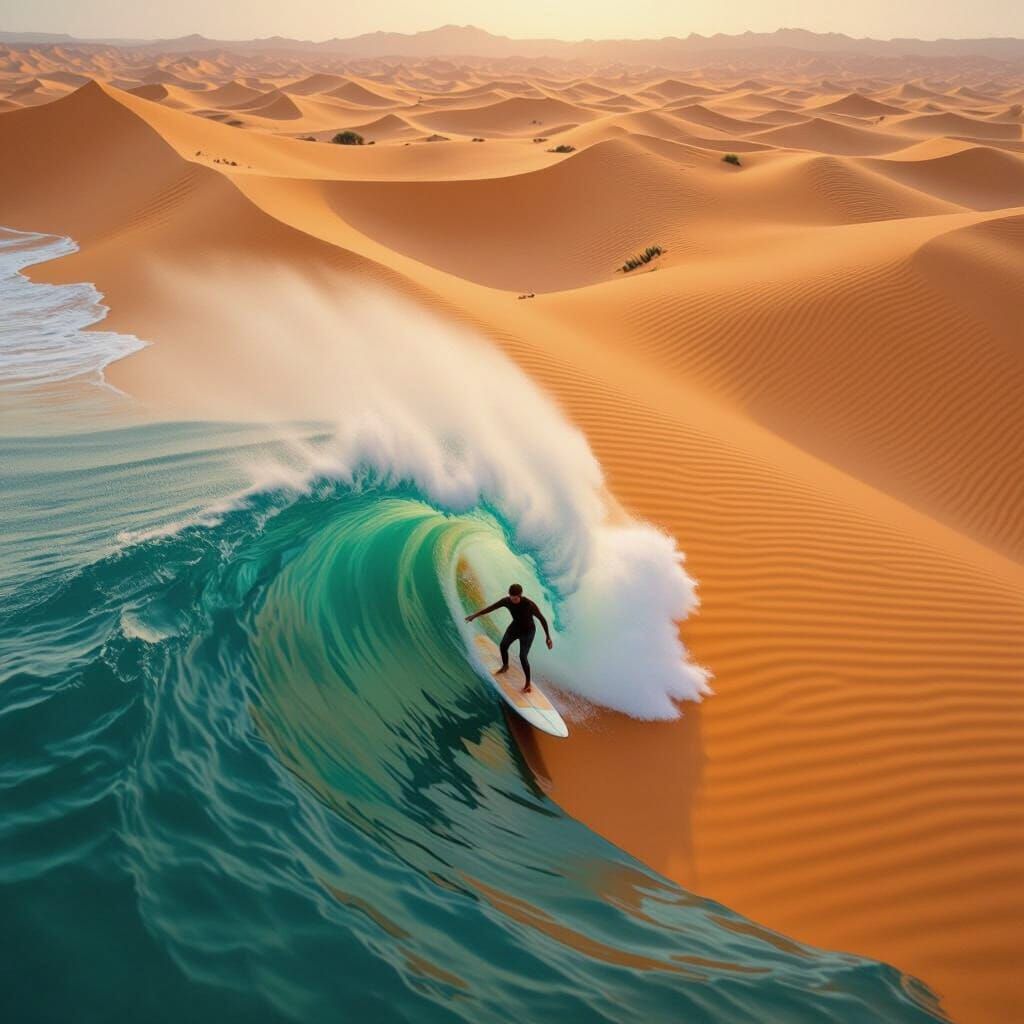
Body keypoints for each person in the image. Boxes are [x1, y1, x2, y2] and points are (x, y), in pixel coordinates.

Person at [465, 583, 553, 693]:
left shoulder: (529, 605)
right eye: (511, 597)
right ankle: (505, 666)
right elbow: (491, 608)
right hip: (515, 627)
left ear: (520, 595)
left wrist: (548, 637)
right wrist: (474, 615)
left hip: (528, 632)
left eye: (515, 598)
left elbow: (542, 619)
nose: (513, 600)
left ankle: (528, 683)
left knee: (523, 656)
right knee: (503, 645)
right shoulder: (506, 601)